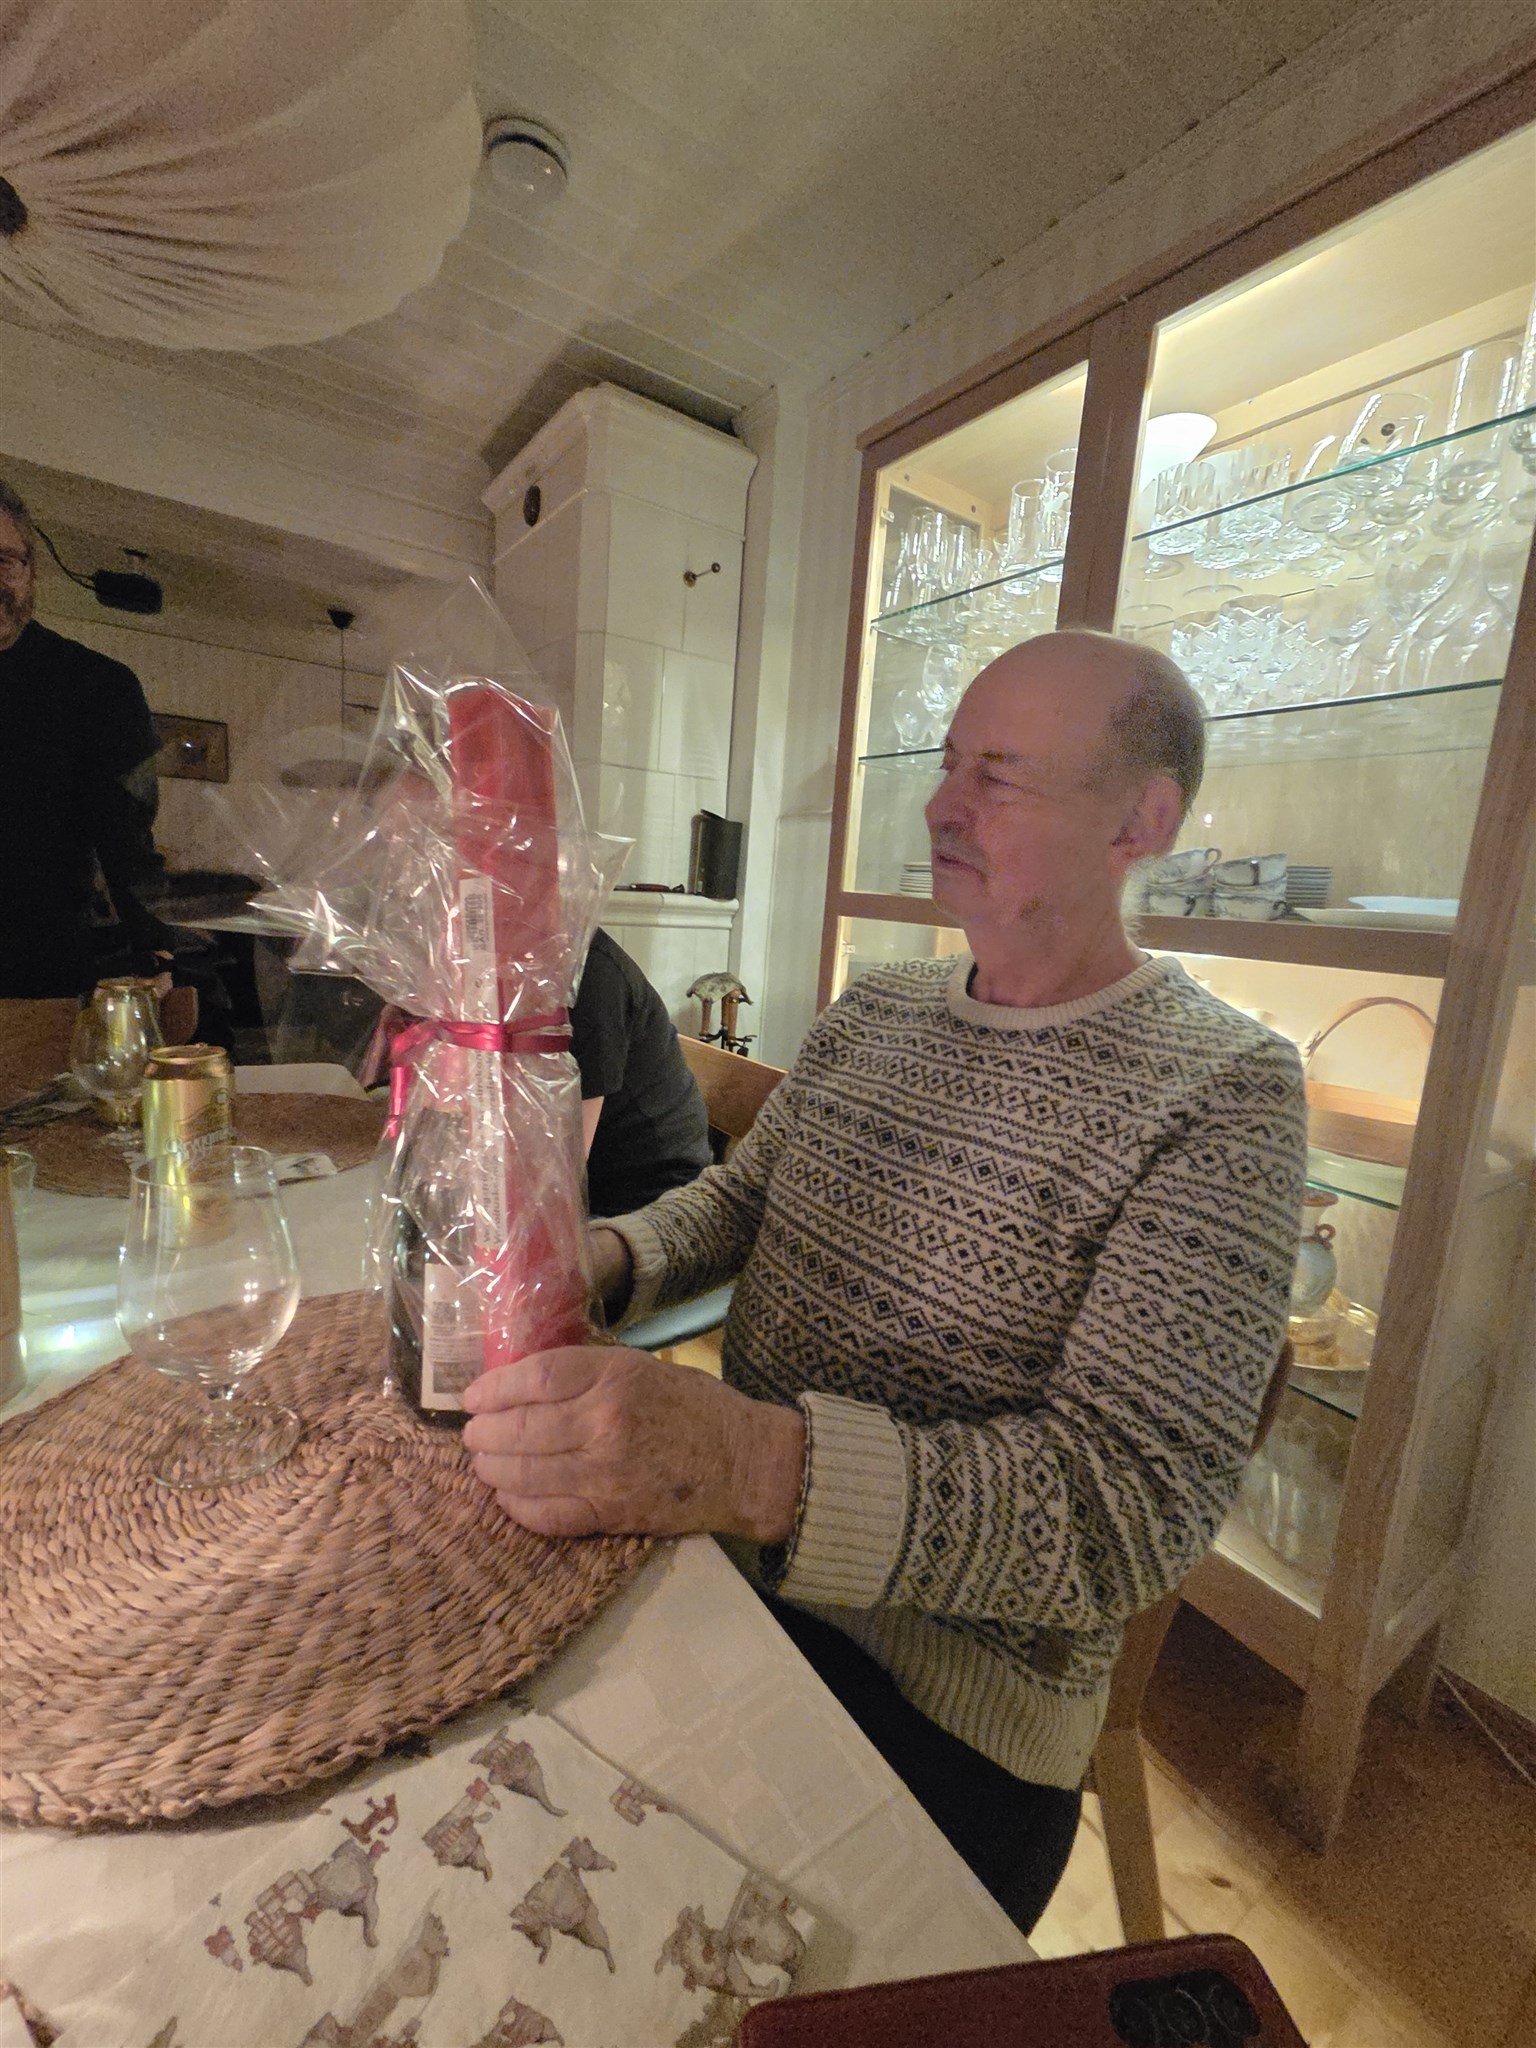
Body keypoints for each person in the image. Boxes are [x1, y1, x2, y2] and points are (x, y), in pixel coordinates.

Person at [458, 630, 1308, 1932]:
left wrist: (751, 1462)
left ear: (1141, 822)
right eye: (948, 763)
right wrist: (609, 1258)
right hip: (724, 1574)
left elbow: (1121, 1512)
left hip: (947, 1711)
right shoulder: (879, 1009)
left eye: (998, 775)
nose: (940, 805)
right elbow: (741, 1202)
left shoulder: (1224, 1093)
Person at [0, 479, 172, 998]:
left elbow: (129, 842)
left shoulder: (98, 687)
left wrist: (159, 951)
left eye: (4, 560)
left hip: (37, 981)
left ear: (31, 572)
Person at [572, 927, 711, 1216]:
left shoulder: (591, 971)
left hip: (654, 1198)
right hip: (602, 1184)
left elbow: (565, 1169)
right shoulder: (537, 964)